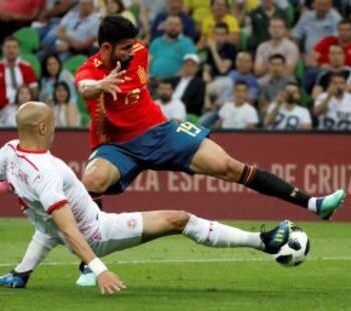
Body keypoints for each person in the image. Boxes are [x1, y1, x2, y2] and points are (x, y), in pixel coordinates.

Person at [18, 15, 348, 288]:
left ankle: (313, 203)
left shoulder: (139, 51)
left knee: (230, 166)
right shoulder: (90, 70)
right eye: (123, 48)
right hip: (115, 145)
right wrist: (98, 87)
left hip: (160, 131)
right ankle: (90, 264)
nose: (132, 52)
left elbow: (130, 50)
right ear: (105, 48)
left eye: (133, 45)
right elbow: (83, 85)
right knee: (93, 180)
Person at [0, 101, 298, 292]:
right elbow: (69, 228)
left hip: (50, 224)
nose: (53, 128)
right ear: (42, 128)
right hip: (97, 234)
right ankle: (263, 242)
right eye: (51, 124)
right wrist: (98, 268)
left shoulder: (8, 151)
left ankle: (20, 274)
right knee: (180, 219)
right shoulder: (47, 171)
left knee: (46, 222)